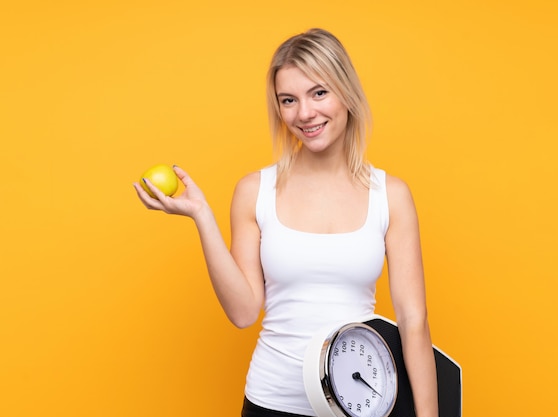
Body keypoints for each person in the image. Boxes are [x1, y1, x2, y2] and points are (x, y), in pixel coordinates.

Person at [134, 28, 438, 417]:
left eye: (319, 93)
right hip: (271, 401)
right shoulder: (254, 190)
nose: (305, 113)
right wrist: (202, 217)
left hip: (360, 405)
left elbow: (414, 320)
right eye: (288, 100)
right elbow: (244, 313)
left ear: (346, 92)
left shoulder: (390, 195)